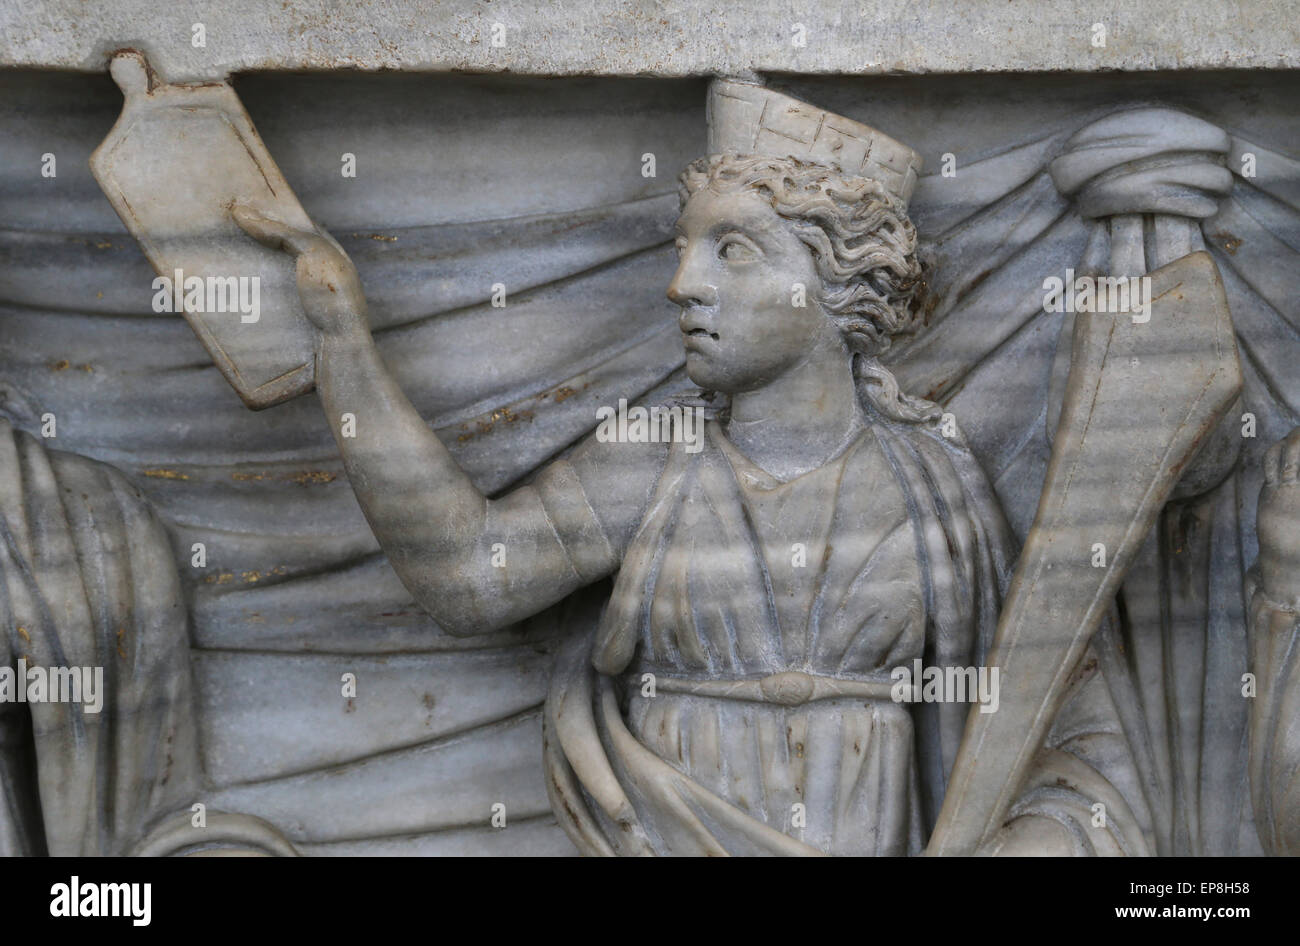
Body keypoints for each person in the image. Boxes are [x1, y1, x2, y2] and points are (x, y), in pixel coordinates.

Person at [234, 80, 1145, 856]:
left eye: (732, 250)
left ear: (837, 281)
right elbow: (471, 578)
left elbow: (1047, 725)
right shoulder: (651, 462)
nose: (684, 284)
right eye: (683, 247)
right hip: (668, 830)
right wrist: (341, 343)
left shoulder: (933, 487)